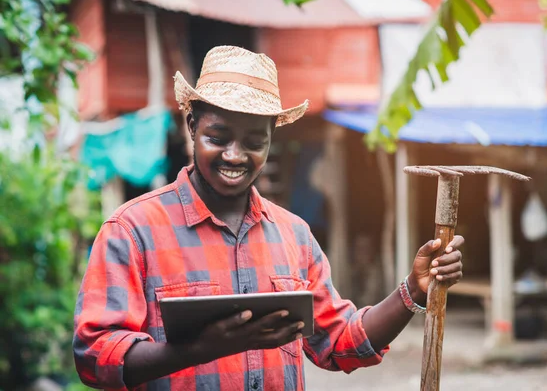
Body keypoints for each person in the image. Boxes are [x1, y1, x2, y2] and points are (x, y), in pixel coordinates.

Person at [73, 45, 464, 391]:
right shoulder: (132, 230)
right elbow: (94, 357)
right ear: (191, 125)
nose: (235, 155)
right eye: (217, 137)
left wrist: (413, 290)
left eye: (254, 142)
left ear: (271, 140)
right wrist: (201, 349)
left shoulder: (293, 234)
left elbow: (341, 343)